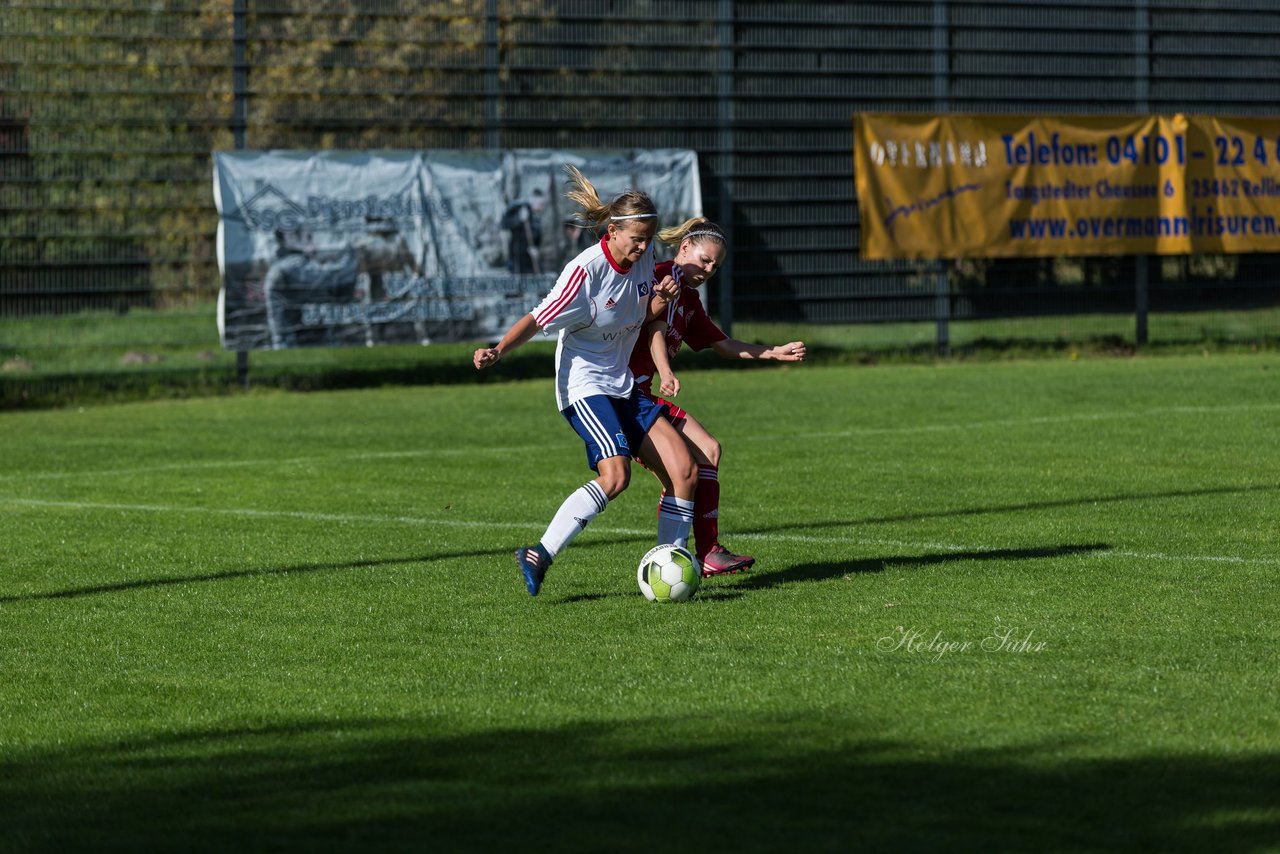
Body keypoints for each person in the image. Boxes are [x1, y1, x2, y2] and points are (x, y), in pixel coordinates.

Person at [474, 166, 698, 597]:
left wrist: (661, 299)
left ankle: (673, 566)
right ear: (613, 231)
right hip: (584, 385)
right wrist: (498, 350)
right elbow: (537, 318)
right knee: (615, 477)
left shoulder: (645, 257)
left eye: (648, 241)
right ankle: (539, 553)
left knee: (684, 470)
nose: (644, 249)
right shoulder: (585, 272)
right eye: (637, 240)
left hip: (624, 384)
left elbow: (642, 312)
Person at [630, 217, 807, 575]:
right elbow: (653, 328)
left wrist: (774, 351)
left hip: (643, 395)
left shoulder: (689, 298)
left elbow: (723, 345)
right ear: (684, 249)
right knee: (681, 472)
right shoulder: (661, 278)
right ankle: (678, 557)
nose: (710, 269)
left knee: (707, 452)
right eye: (705, 259)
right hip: (622, 396)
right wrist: (665, 371)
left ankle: (702, 553)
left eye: (716, 265)